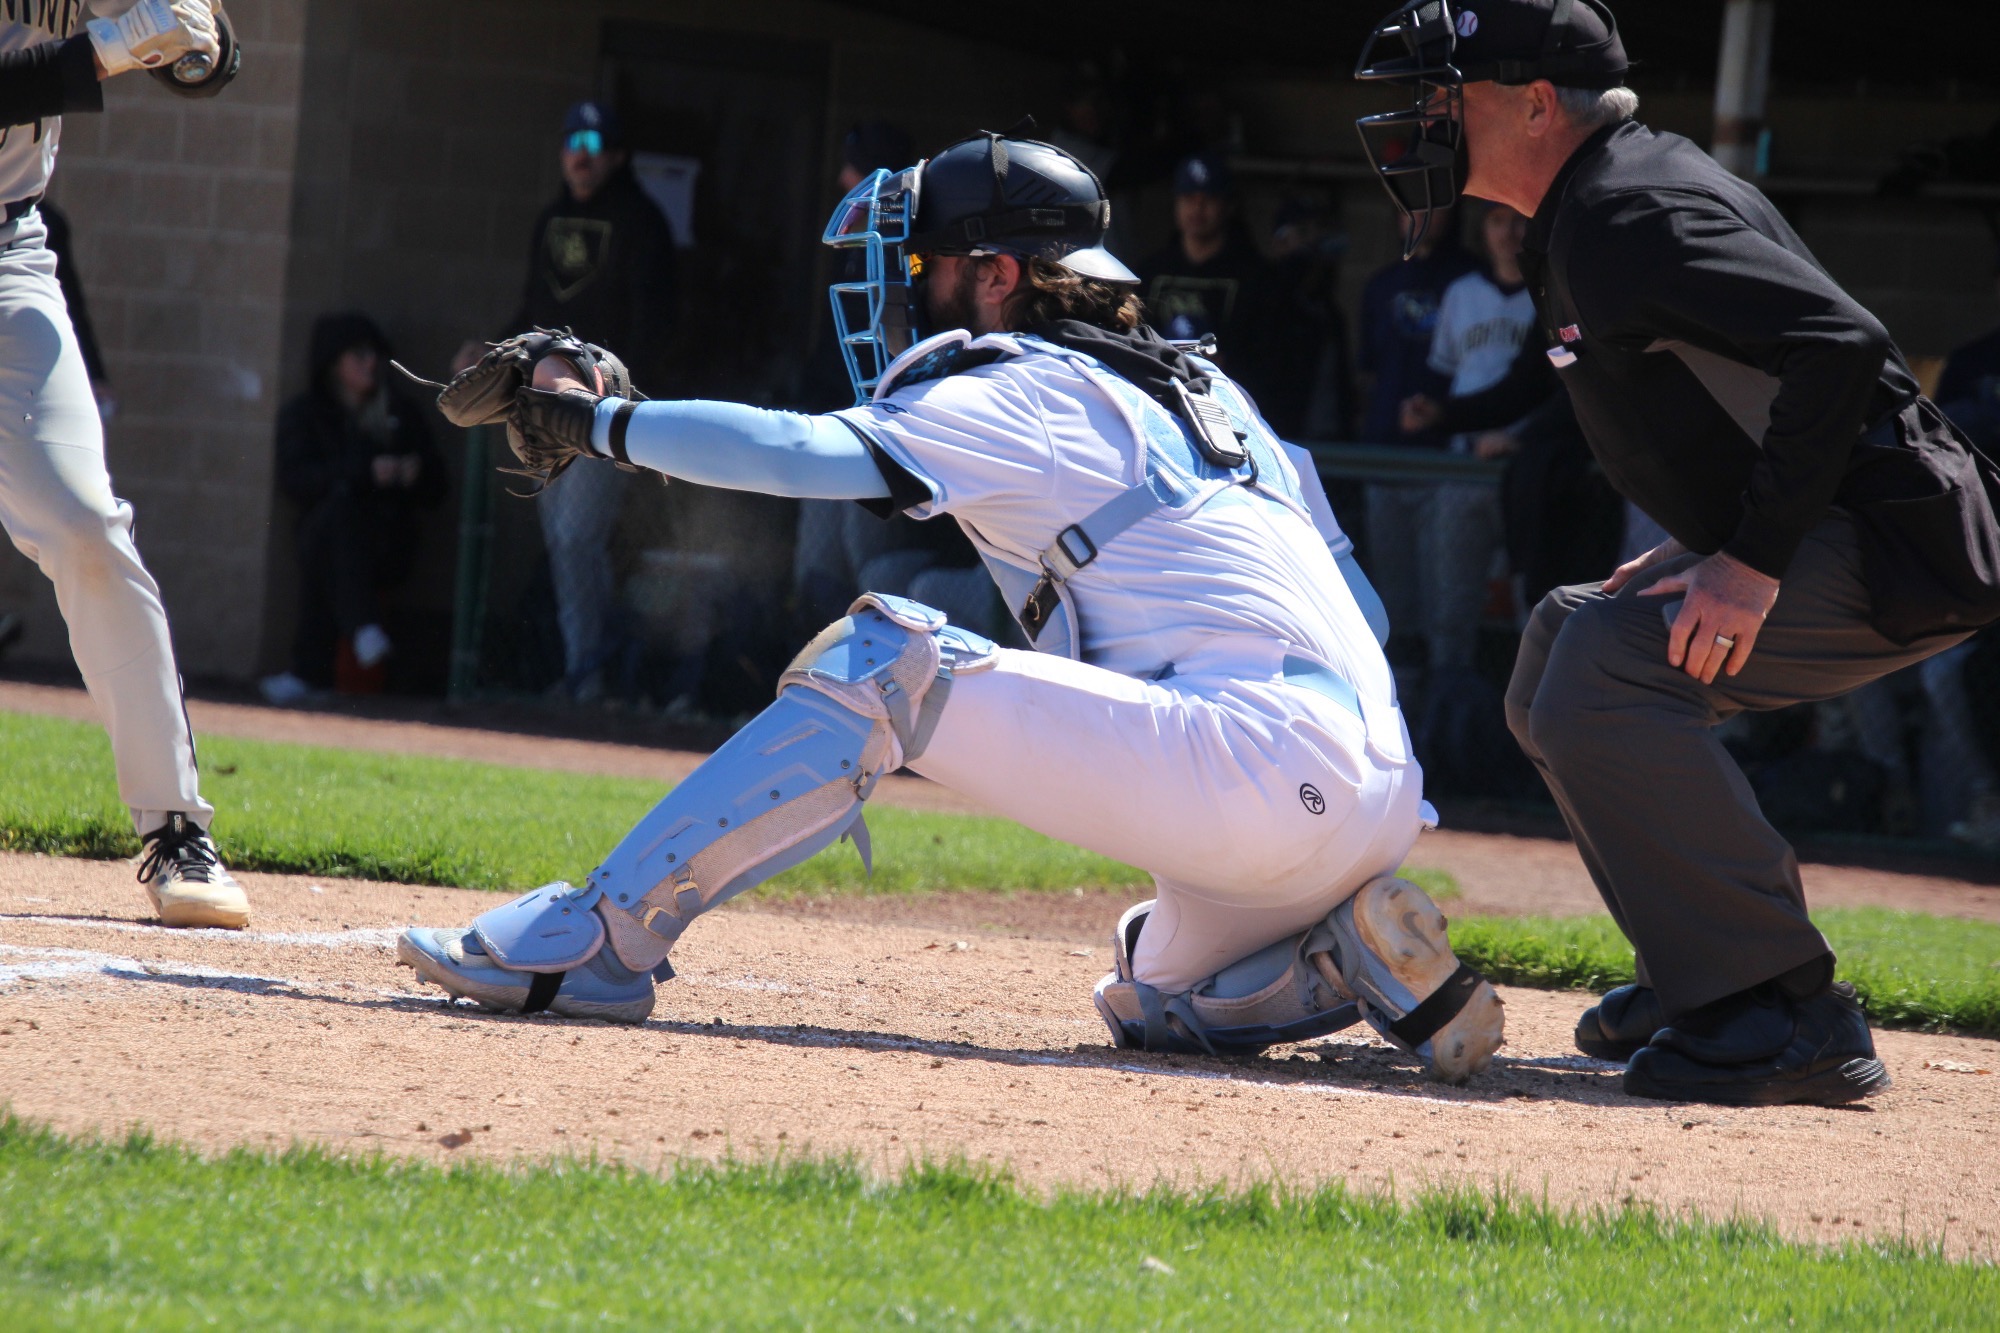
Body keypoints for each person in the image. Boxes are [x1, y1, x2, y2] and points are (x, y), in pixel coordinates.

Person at [397, 132, 1503, 1083]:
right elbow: (1362, 603)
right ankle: (1326, 952)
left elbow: (804, 451)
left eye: (921, 261)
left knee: (887, 655)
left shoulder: (1029, 381)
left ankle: (597, 941)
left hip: (1257, 767)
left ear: (996, 274)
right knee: (1151, 998)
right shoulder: (1208, 390)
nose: (900, 285)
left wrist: (603, 425)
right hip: (1364, 787)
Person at [1356, 0, 2000, 1105]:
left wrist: (1745, 561)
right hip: (1850, 523)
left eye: (1446, 97)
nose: (1423, 119)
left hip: (1904, 544)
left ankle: (1783, 1007)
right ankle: (1699, 972)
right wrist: (1706, 545)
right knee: (1560, 639)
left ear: (1535, 104)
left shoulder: (1622, 208)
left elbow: (1836, 346)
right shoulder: (1593, 202)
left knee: (1603, 674)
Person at [0, 1, 248, 928]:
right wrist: (114, 46)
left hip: (7, 259)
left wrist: (196, 47)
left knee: (86, 527)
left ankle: (176, 825)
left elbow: (210, 58)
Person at [468, 100, 678, 702]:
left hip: (606, 413)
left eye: (594, 143)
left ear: (615, 156)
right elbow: (531, 313)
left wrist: (614, 393)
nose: (580, 155)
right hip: (544, 411)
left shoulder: (642, 222)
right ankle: (584, 667)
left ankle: (590, 673)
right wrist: (493, 361)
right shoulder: (551, 217)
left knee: (577, 540)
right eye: (572, 142)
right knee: (563, 542)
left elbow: (657, 328)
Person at [262, 313, 447, 703]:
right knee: (335, 516)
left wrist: (414, 472)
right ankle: (360, 628)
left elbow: (438, 489)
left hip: (387, 545)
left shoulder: (401, 412)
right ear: (333, 362)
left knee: (330, 540)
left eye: (375, 355)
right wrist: (365, 472)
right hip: (324, 537)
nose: (370, 365)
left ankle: (311, 670)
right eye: (358, 356)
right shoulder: (305, 415)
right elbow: (296, 480)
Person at [1134, 154, 1292, 413]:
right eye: (1188, 198)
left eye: (1208, 199)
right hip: (1158, 398)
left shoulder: (1257, 277)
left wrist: (1225, 366)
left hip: (1232, 404)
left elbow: (1271, 358)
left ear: (1228, 206)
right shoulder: (1151, 271)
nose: (1197, 208)